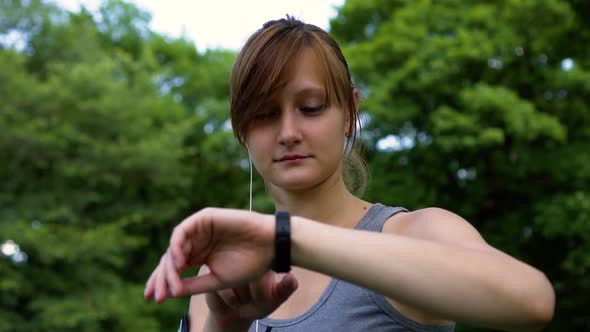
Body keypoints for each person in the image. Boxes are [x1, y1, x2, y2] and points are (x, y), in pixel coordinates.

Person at [144, 16, 555, 332]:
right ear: (241, 131)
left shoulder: (414, 233)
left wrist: (286, 239)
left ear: (349, 112)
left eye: (311, 107)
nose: (288, 133)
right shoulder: (219, 275)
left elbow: (532, 302)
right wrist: (224, 326)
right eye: (265, 114)